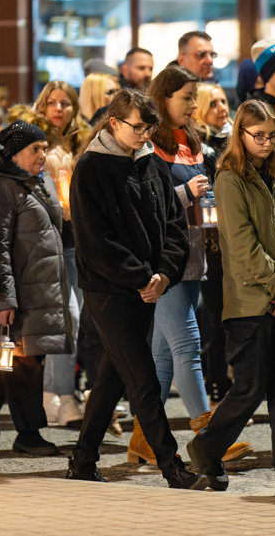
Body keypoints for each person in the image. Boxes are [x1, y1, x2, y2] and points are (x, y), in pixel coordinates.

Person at [65, 88, 207, 491]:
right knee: (142, 377)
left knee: (114, 375)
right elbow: (95, 241)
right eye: (137, 127)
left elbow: (175, 227)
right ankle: (171, 465)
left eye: (149, 127)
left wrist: (163, 274)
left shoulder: (151, 164)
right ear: (114, 123)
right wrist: (142, 277)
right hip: (109, 289)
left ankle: (82, 459)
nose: (144, 135)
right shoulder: (91, 167)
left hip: (149, 286)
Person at [186, 99, 275, 497]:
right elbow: (243, 250)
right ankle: (207, 446)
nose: (266, 142)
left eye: (271, 135)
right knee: (248, 390)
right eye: (258, 135)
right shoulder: (230, 179)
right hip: (250, 304)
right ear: (240, 135)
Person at [130, 66, 252, 466]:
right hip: (164, 258)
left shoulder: (194, 142)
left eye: (193, 97)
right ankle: (209, 434)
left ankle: (143, 438)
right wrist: (185, 192)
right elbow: (144, 205)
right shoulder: (148, 145)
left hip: (195, 252)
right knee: (187, 344)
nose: (192, 105)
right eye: (185, 97)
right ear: (163, 98)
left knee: (164, 352)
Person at [0, 121, 72, 456]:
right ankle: (28, 434)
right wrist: (3, 298)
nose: (43, 155)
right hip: (19, 291)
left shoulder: (36, 182)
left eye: (44, 148)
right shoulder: (0, 188)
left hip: (40, 288)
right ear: (14, 153)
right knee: (24, 362)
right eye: (35, 149)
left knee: (29, 357)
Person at [10, 80, 90, 427]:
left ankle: (60, 394)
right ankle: (57, 395)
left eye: (66, 103)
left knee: (75, 319)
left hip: (78, 238)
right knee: (64, 318)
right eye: (52, 102)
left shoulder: (81, 141)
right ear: (42, 106)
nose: (59, 109)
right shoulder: (31, 140)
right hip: (46, 238)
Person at [189, 83, 232, 409]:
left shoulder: (236, 142)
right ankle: (217, 389)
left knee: (228, 317)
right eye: (212, 102)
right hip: (207, 242)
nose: (221, 107)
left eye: (223, 101)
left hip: (232, 240)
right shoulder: (197, 150)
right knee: (214, 318)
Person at [191, 83, 232, 154]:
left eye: (223, 101)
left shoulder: (238, 135)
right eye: (212, 104)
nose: (223, 108)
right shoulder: (196, 146)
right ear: (195, 112)